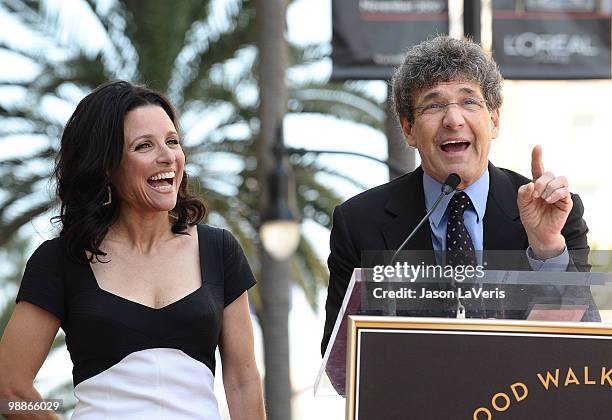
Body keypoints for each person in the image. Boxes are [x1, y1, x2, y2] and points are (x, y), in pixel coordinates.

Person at [0, 80, 266, 419]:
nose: (167, 156)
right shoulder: (59, 260)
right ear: (107, 166)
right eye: (144, 146)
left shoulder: (219, 249)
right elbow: (10, 390)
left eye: (173, 142)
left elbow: (243, 381)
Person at [322, 36, 599, 355]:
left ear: (494, 120)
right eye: (434, 104)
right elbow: (341, 362)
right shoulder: (360, 223)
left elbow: (582, 345)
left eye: (469, 101)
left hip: (522, 401)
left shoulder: (555, 212)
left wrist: (547, 248)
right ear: (408, 128)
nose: (453, 120)